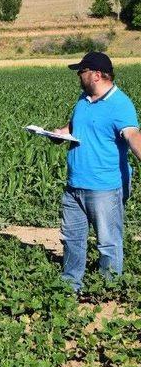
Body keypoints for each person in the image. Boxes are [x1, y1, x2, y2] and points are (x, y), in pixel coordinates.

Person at [52, 52, 141, 291]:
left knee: (108, 243)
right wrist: (61, 132)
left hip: (104, 187)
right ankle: (70, 286)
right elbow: (75, 125)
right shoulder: (83, 99)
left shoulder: (120, 104)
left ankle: (108, 291)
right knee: (72, 239)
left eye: (82, 72)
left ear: (97, 75)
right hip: (74, 186)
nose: (78, 76)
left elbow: (132, 136)